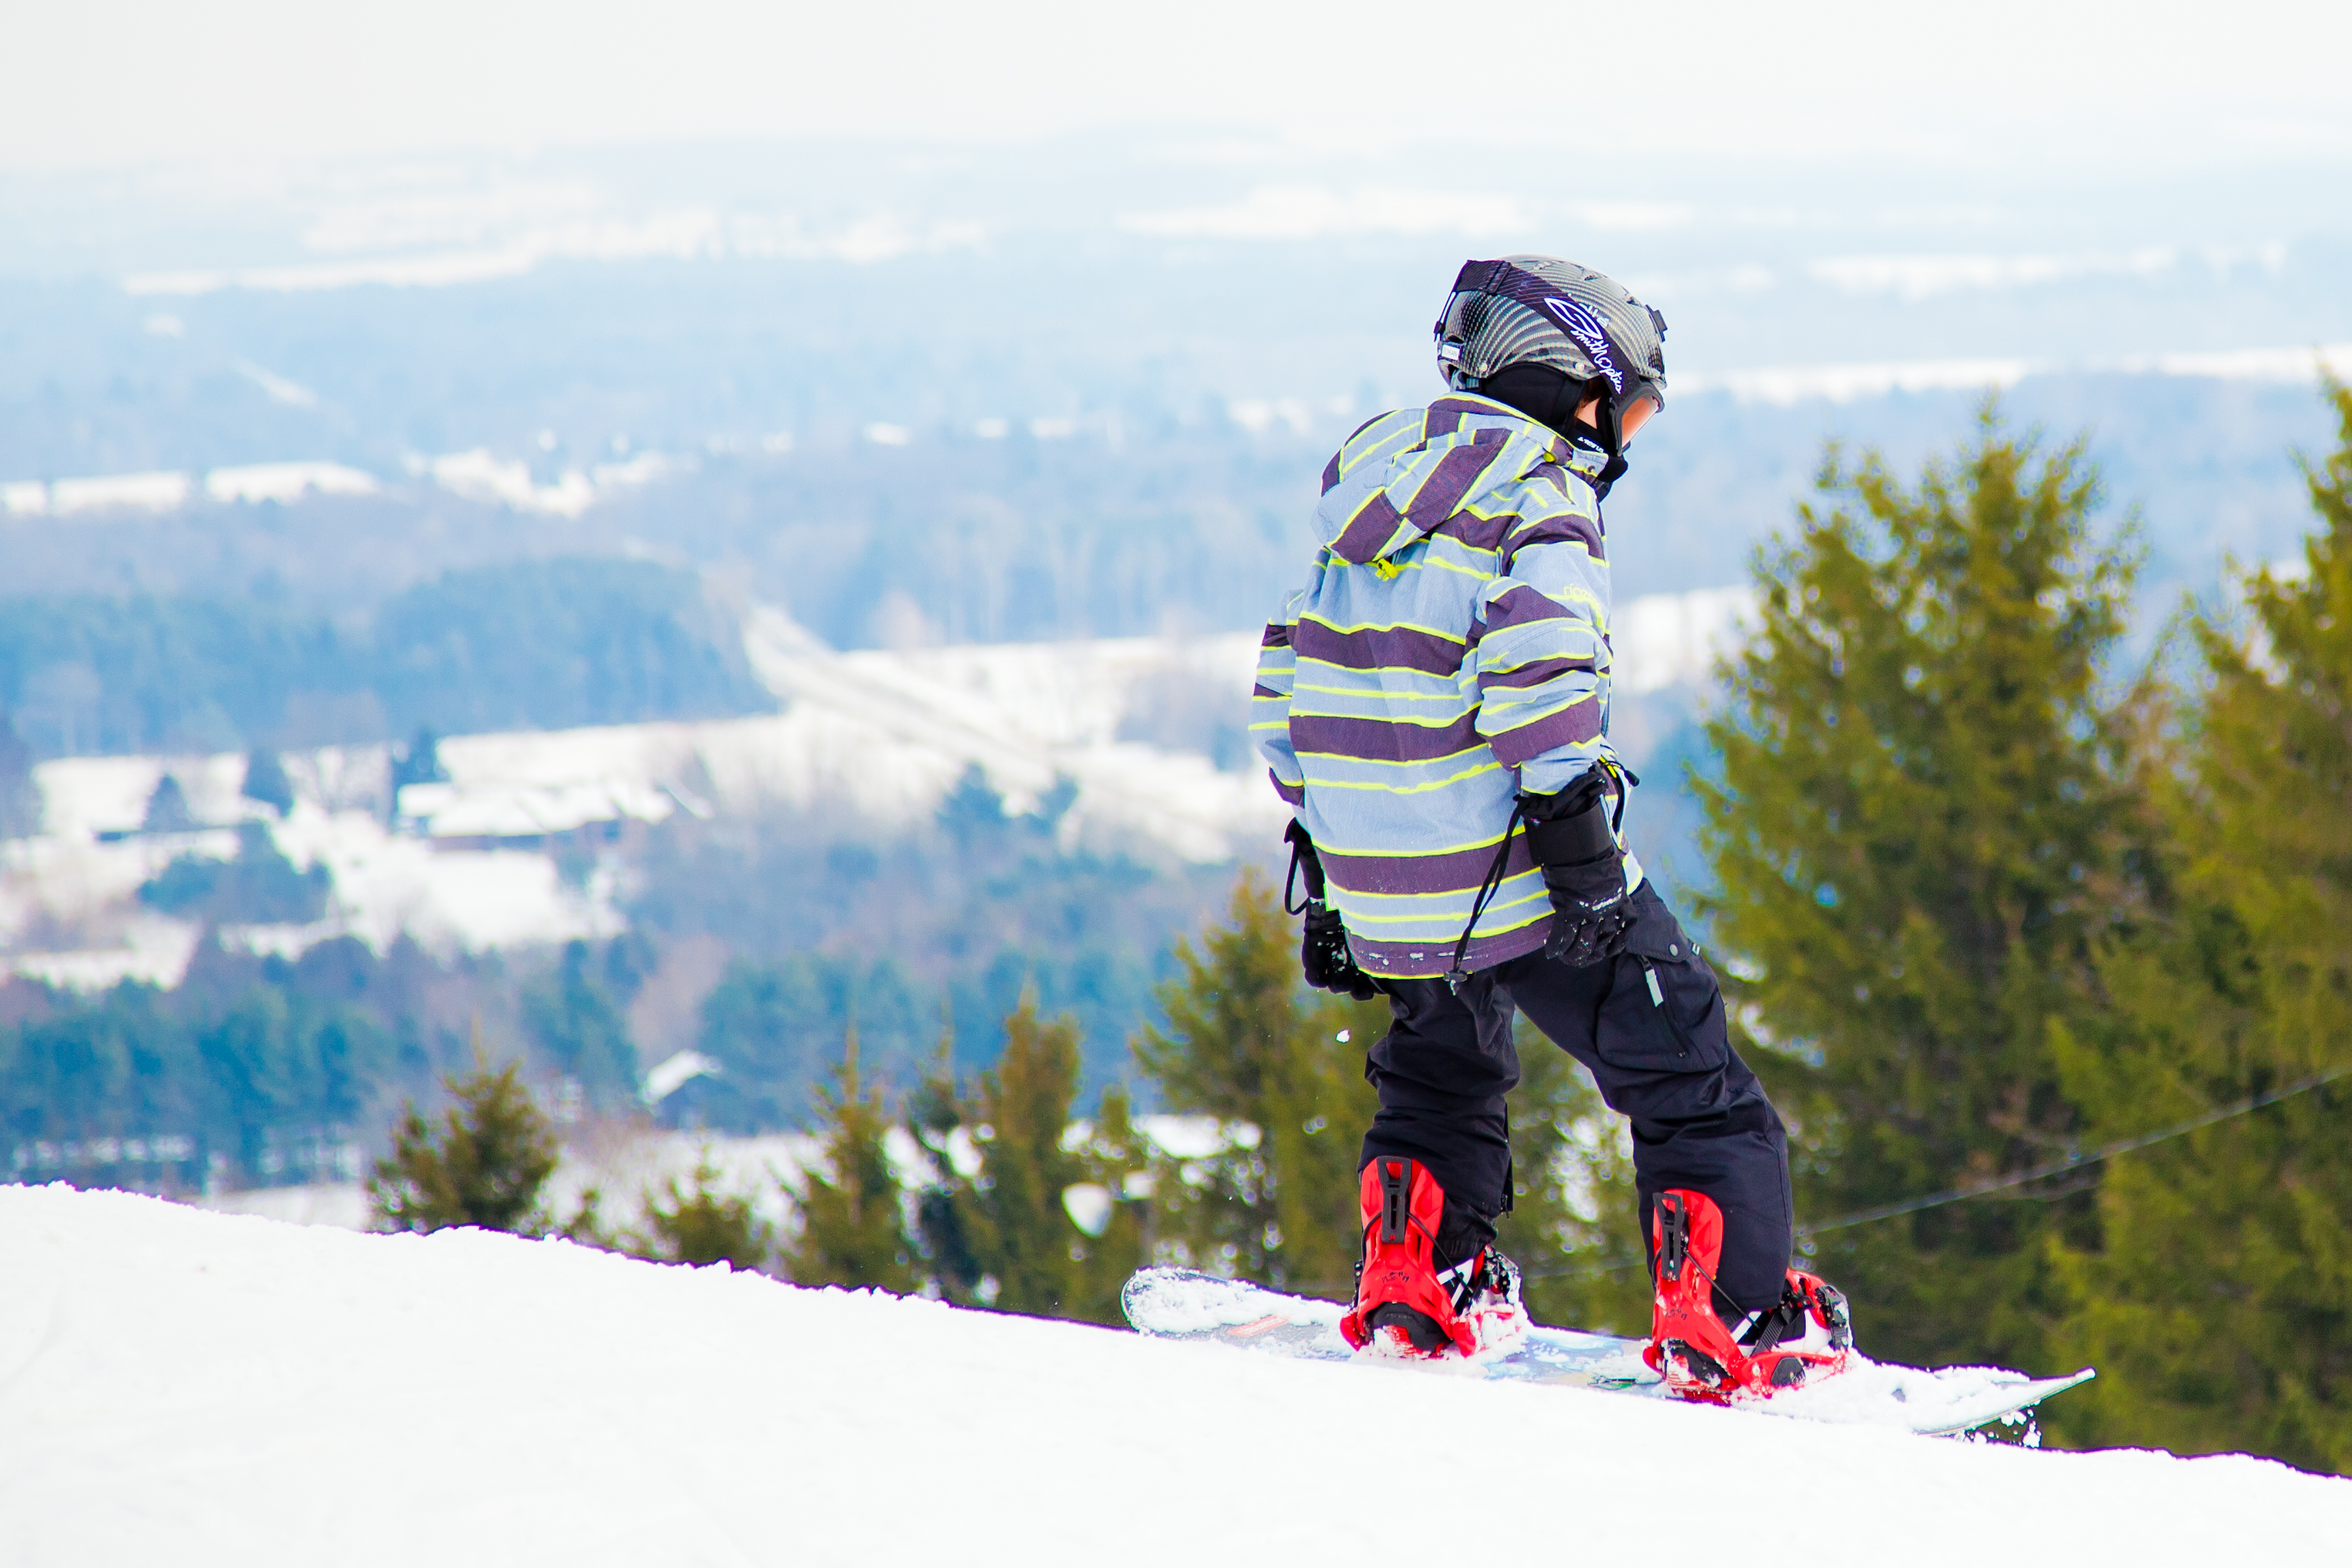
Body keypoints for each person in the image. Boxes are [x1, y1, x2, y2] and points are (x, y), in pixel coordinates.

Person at [1251, 256, 1851, 1399]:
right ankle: (1739, 1321)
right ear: (1569, 377)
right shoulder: (1539, 498)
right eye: (1623, 405)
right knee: (1685, 1070)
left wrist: (1337, 873)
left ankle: (1423, 1276)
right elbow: (1538, 682)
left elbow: (1286, 701)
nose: (1622, 439)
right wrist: (1582, 866)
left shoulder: (1363, 508)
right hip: (1519, 870)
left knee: (1436, 1070)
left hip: (1384, 881)